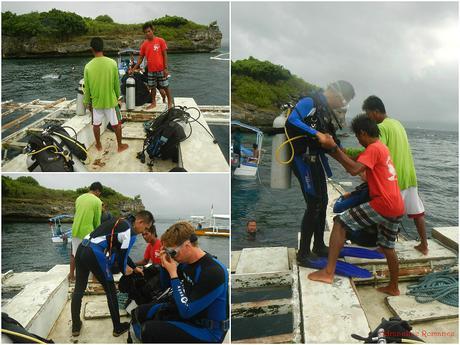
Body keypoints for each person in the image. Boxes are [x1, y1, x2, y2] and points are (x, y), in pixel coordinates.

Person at [308, 114, 404, 296]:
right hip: (397, 204)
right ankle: (394, 287)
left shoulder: (373, 148)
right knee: (388, 247)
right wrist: (335, 150)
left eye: (358, 137)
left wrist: (333, 148)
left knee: (340, 223)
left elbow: (353, 170)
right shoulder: (382, 148)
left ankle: (328, 272)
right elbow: (354, 164)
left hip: (383, 203)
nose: (359, 141)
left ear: (363, 133)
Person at [285, 80, 355, 265]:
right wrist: (317, 135)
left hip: (315, 161)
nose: (343, 105)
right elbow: (292, 120)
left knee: (322, 202)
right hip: (302, 160)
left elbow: (332, 142)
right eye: (344, 100)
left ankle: (319, 246)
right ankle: (304, 254)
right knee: (314, 204)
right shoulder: (310, 101)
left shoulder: (325, 111)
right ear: (336, 93)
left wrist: (352, 160)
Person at [130, 222, 229, 343]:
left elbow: (186, 312)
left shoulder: (213, 272)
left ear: (187, 245)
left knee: (148, 331)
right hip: (191, 313)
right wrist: (164, 265)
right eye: (167, 251)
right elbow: (165, 285)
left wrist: (173, 274)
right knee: (139, 312)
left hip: (208, 330)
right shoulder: (187, 263)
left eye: (172, 252)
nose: (172, 256)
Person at [71, 210, 155, 337]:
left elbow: (118, 252)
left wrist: (133, 267)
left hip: (82, 248)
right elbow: (122, 259)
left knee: (79, 289)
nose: (144, 231)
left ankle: (76, 326)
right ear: (140, 221)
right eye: (146, 227)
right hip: (94, 252)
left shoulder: (120, 221)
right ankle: (117, 328)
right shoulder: (130, 233)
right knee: (111, 290)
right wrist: (128, 273)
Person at [362, 96, 428, 255]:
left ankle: (384, 247)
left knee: (386, 211)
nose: (368, 118)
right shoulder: (398, 123)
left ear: (376, 112)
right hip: (410, 176)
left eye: (368, 114)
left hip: (394, 177)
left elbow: (376, 150)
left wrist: (351, 155)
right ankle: (424, 244)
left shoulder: (382, 128)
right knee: (417, 211)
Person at [83, 37, 129, 153]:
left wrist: (87, 102)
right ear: (103, 48)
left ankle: (98, 145)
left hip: (96, 102)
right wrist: (118, 97)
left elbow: (87, 88)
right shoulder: (112, 63)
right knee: (116, 124)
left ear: (91, 49)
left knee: (96, 124)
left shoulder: (88, 66)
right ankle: (119, 145)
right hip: (110, 101)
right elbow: (116, 84)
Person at [133, 22, 172, 109]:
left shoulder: (160, 41)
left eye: (149, 31)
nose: (147, 33)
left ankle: (170, 102)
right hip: (151, 70)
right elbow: (140, 58)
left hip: (161, 69)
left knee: (165, 86)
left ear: (152, 30)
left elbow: (165, 55)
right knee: (152, 87)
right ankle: (153, 103)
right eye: (146, 32)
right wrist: (134, 69)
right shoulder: (144, 45)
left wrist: (166, 68)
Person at [69, 182, 103, 281]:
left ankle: (71, 276)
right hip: (87, 232)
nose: (99, 195)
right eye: (99, 193)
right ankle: (94, 278)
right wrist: (99, 235)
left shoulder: (79, 198)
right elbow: (97, 220)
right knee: (94, 255)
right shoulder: (97, 201)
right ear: (97, 191)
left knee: (74, 254)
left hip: (75, 230)